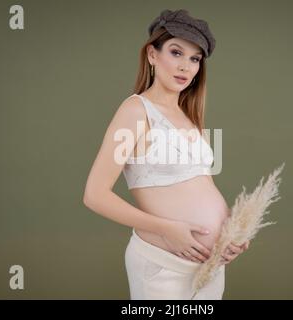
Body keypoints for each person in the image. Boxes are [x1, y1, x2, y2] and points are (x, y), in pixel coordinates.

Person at [83, 9, 249, 300]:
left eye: (194, 58)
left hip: (209, 268)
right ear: (152, 55)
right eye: (176, 52)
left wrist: (232, 230)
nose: (185, 66)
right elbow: (95, 195)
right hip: (163, 268)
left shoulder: (189, 116)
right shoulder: (135, 111)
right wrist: (167, 229)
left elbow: (198, 186)